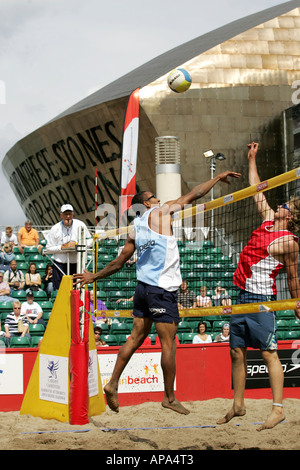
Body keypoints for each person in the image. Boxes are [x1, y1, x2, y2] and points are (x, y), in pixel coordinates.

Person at [73, 168, 241, 415]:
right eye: (154, 197)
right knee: (169, 344)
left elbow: (118, 263)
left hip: (142, 289)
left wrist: (93, 276)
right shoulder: (160, 213)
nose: (159, 200)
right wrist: (216, 178)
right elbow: (193, 194)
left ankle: (112, 383)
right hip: (162, 290)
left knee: (135, 338)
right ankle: (169, 398)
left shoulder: (134, 228)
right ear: (145, 203)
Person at [217, 142, 300, 432]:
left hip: (263, 299)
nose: (279, 206)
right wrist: (251, 159)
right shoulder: (266, 221)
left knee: (269, 354)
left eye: (285, 206)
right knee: (236, 352)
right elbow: (256, 189)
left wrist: (297, 302)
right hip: (241, 296)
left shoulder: (289, 242)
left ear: (289, 217)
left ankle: (277, 409)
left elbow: (292, 277)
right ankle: (238, 404)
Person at [45, 204, 92, 290]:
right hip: (60, 265)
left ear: (73, 214)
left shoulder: (80, 225)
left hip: (77, 264)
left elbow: (90, 241)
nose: (68, 216)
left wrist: (77, 245)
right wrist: (61, 247)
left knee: (77, 290)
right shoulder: (55, 228)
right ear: (61, 215)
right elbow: (48, 248)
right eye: (65, 214)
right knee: (61, 291)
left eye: (70, 214)